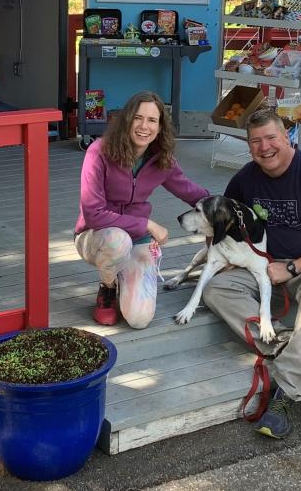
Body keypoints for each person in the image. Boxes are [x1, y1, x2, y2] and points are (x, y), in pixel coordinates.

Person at [201, 107, 301, 439]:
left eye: (271, 137)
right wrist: (226, 253)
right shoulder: (244, 179)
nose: (264, 147)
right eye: (255, 141)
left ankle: (284, 395)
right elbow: (218, 226)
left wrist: (292, 267)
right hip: (263, 266)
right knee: (215, 289)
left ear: (287, 137)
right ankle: (294, 343)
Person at [75, 91, 209, 329]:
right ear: (127, 119)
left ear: (160, 127)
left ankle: (123, 276)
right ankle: (107, 288)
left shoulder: (161, 159)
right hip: (96, 236)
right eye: (138, 118)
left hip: (136, 239)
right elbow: (93, 213)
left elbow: (191, 191)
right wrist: (147, 224)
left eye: (152, 120)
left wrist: (226, 207)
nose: (144, 126)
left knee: (139, 319)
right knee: (118, 242)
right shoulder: (99, 151)